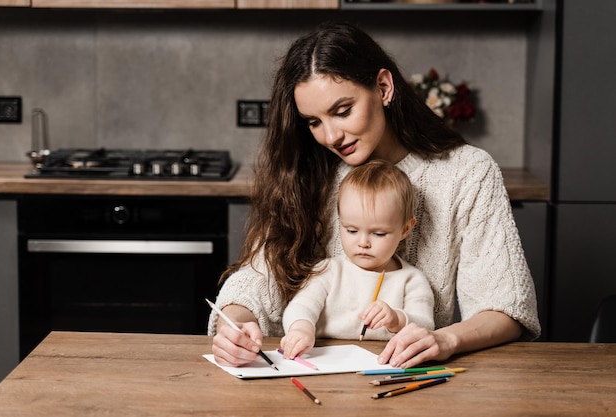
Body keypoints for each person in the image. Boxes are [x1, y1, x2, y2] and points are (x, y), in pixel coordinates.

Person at [208, 21, 540, 369]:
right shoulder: (308, 171)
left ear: (383, 87)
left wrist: (445, 339)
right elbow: (255, 279)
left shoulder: (467, 172)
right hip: (307, 374)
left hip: (406, 375)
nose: (331, 136)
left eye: (342, 111)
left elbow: (506, 306)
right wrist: (235, 323)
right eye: (314, 122)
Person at [281, 160, 435, 359]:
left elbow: (426, 325)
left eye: (379, 234)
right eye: (352, 230)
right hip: (323, 360)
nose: (363, 243)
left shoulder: (411, 280)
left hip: (384, 362)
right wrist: (301, 330)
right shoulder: (328, 271)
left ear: (405, 229)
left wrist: (396, 319)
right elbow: (301, 306)